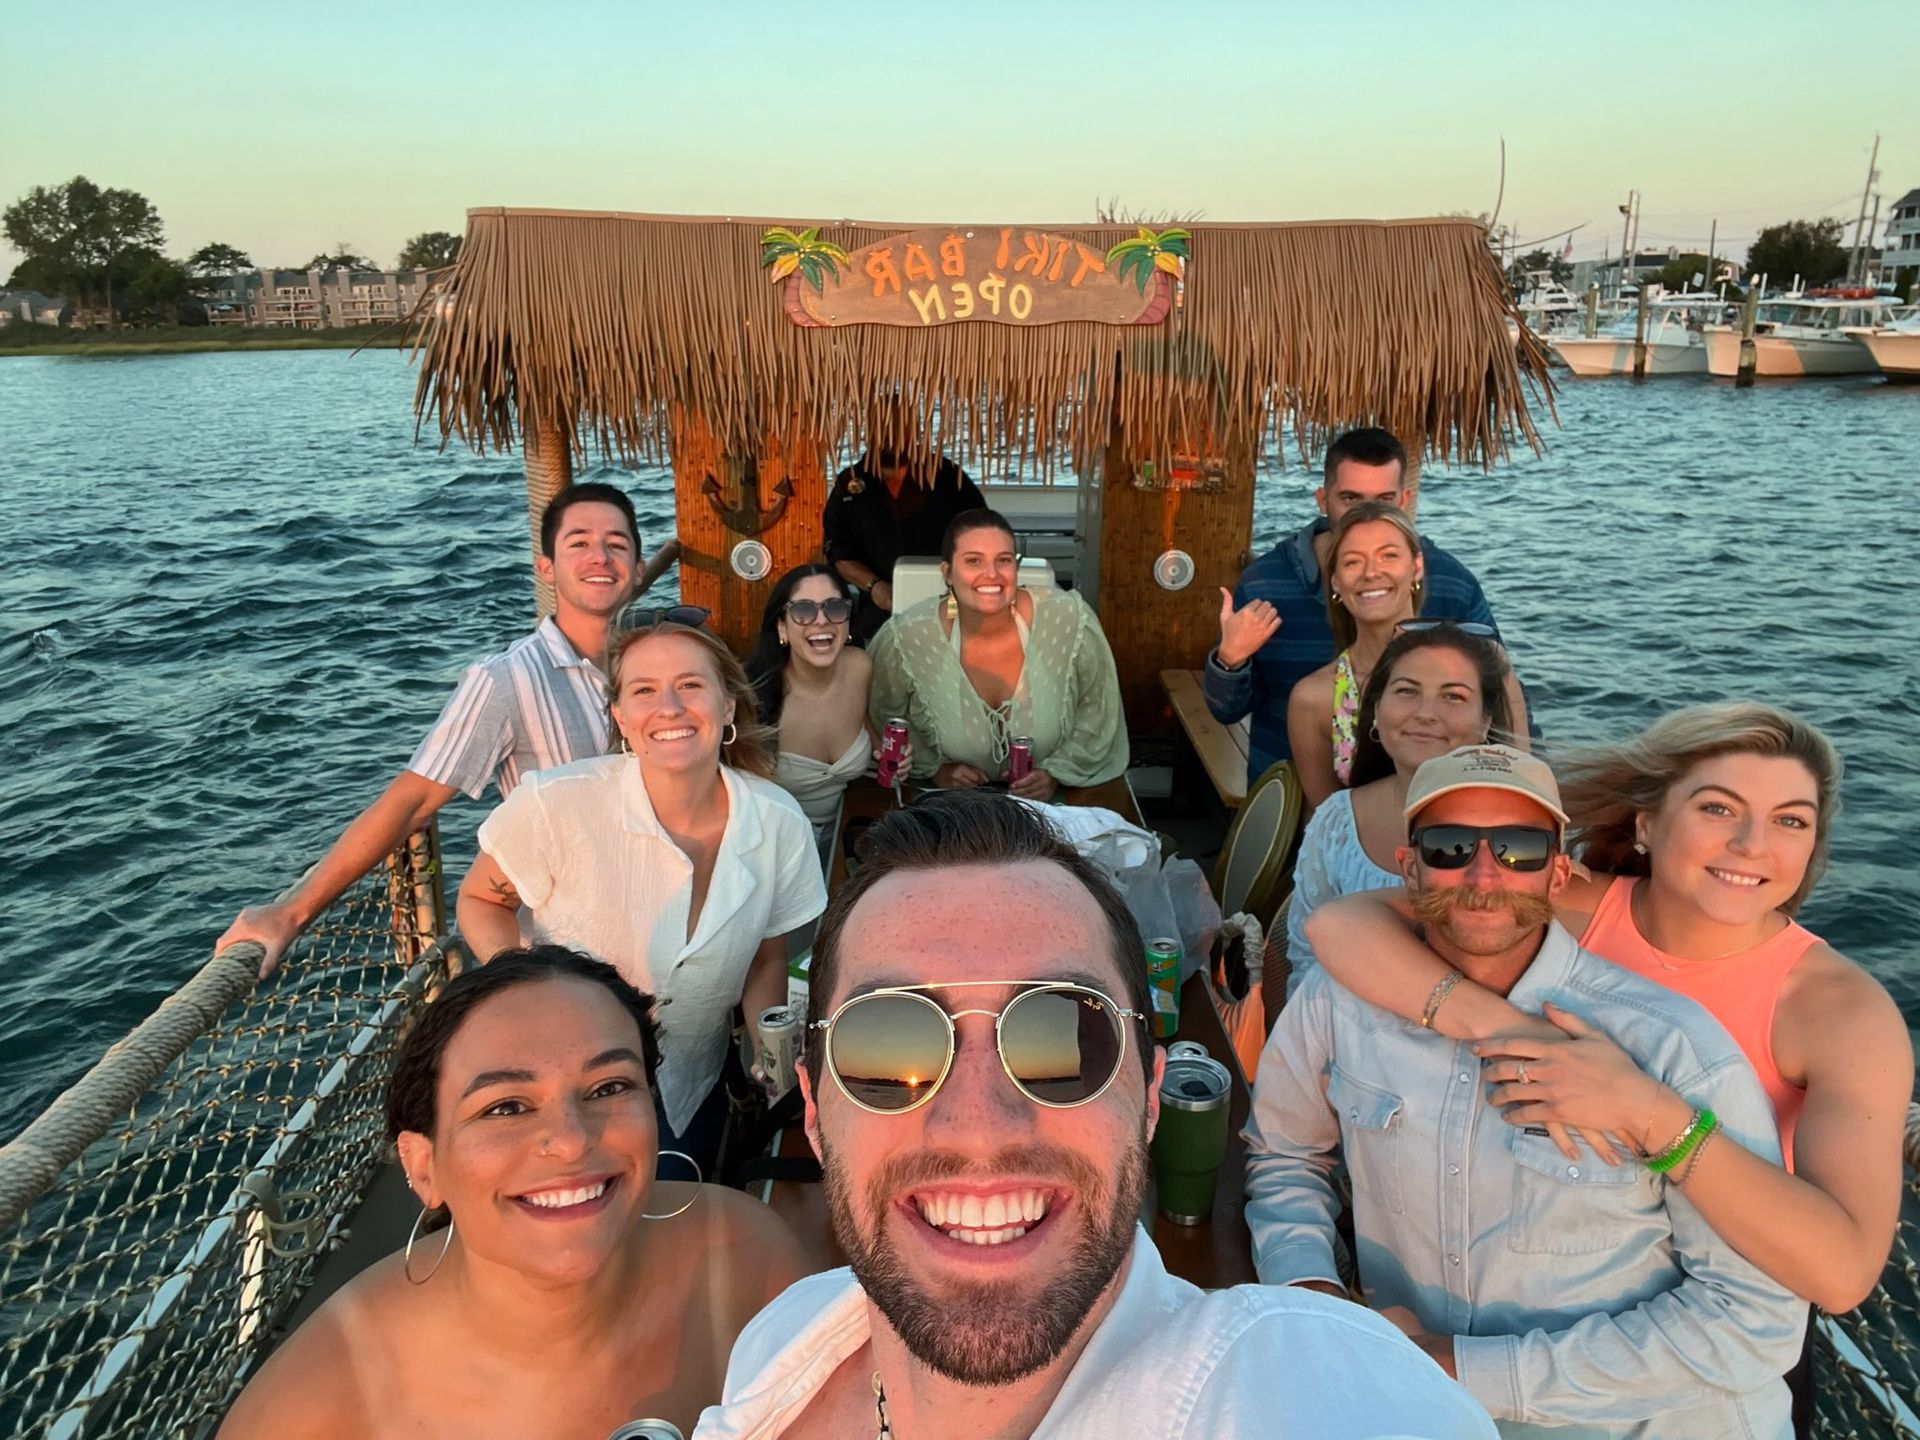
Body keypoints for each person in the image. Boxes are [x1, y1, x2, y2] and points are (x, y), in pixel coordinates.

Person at [695, 791, 1499, 1439]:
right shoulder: (785, 1337)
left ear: (1149, 1094)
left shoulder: (1285, 1387)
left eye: (1064, 1037)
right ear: (811, 1105)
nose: (979, 1128)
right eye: (887, 1046)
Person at [1246, 744, 1807, 1438]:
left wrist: (1466, 1369)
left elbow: (1757, 1318)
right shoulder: (1338, 1004)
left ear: (1559, 874)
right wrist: (1312, 1296)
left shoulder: (1669, 1049)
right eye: (1450, 846)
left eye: (1519, 848)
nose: (1484, 872)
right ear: (1408, 865)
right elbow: (1286, 1156)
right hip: (1418, 1407)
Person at [1307, 704, 1913, 1324]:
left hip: (1717, 1316)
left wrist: (1646, 1113)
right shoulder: (1571, 903)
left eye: (1790, 821)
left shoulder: (1840, 1012)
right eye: (1718, 808)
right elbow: (1342, 924)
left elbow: (1842, 1275)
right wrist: (1509, 1029)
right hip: (1532, 1268)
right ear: (1646, 825)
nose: (1751, 844)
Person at [218, 945, 812, 1440]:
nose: (572, 1141)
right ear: (424, 1166)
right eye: (505, 1107)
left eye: (608, 1087)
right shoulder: (320, 1406)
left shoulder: (747, 1257)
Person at [216, 481, 677, 974]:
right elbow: (412, 799)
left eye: (617, 545)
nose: (600, 557)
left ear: (638, 569)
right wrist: (292, 912)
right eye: (579, 543)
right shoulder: (506, 680)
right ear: (546, 567)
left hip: (669, 922)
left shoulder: (653, 667)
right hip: (574, 953)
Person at [456, 618, 827, 1178]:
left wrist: (771, 1061)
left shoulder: (779, 823)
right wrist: (531, 996)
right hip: (563, 1084)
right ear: (621, 719)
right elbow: (481, 899)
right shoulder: (558, 805)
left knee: (675, 1211)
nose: (670, 707)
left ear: (728, 706)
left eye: (691, 685)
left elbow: (768, 955)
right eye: (644, 690)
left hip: (691, 1082)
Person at [1204, 426, 1505, 785]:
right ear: (1322, 499)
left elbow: (1501, 703)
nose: (1367, 514)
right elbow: (1227, 710)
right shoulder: (1265, 583)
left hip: (1427, 804)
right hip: (1287, 799)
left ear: (1404, 499)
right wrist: (1230, 661)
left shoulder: (1454, 583)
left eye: (1383, 499)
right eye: (1350, 498)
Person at [1284, 622, 1514, 994]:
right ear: (1375, 711)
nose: (1425, 713)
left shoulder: (1523, 836)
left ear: (1486, 720)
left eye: (1453, 696)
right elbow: (1306, 961)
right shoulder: (1337, 821)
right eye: (1407, 691)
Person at [868, 509, 1128, 802]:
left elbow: (1098, 710)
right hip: (950, 809)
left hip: (1058, 808)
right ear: (947, 573)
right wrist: (937, 769)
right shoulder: (907, 637)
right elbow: (879, 716)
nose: (991, 574)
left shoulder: (1068, 619)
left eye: (1003, 560)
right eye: (973, 561)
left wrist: (1055, 773)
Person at [744, 564, 892, 865]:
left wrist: (887, 756)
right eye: (803, 610)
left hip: (845, 836)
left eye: (835, 607)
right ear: (782, 627)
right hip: (775, 851)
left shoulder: (859, 667)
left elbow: (864, 726)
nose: (822, 620)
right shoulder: (753, 699)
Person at [822, 424, 986, 644]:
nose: (891, 435)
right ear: (869, 431)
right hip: (878, 616)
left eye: (900, 426)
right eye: (883, 425)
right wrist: (875, 587)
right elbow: (838, 551)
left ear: (916, 429)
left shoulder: (947, 476)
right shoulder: (850, 483)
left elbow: (983, 533)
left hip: (946, 612)